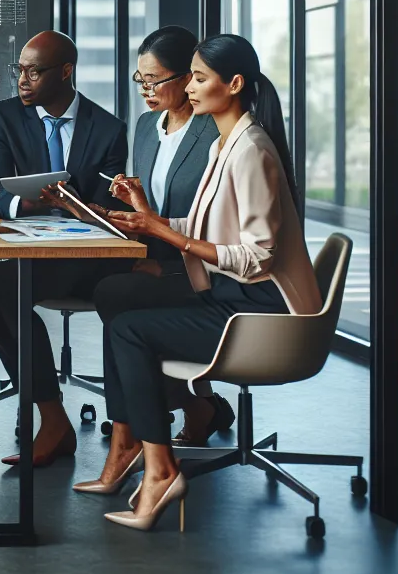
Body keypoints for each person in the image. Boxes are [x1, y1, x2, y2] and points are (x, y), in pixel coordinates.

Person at [76, 34, 318, 531]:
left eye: (200, 79)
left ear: (235, 84)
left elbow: (256, 257)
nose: (189, 88)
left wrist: (168, 234)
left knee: (129, 329)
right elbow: (210, 227)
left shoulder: (251, 150)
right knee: (122, 309)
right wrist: (146, 219)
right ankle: (146, 454)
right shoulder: (226, 142)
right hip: (234, 297)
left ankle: (159, 468)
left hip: (260, 311)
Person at [0, 30, 128, 469]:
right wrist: (24, 204)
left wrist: (78, 207)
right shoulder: (4, 116)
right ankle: (52, 416)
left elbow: (114, 208)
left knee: (122, 293)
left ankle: (137, 425)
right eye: (19, 70)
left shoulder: (109, 129)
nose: (22, 81)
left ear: (65, 72)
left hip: (90, 256)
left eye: (33, 72)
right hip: (33, 247)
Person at [89, 26, 232, 447]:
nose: (145, 90)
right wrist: (126, 207)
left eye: (155, 80)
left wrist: (161, 256)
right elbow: (151, 210)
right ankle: (191, 406)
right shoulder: (146, 125)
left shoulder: (216, 131)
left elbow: (219, 219)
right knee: (116, 290)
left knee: (118, 296)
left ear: (189, 77)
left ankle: (138, 429)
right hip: (161, 256)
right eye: (140, 79)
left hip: (204, 266)